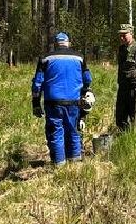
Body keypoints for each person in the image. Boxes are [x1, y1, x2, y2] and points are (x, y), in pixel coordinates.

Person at [32, 32, 92, 166]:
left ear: (55, 44)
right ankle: (75, 163)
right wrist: (86, 91)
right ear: (68, 43)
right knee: (73, 130)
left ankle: (59, 165)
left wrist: (36, 104)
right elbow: (87, 79)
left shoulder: (45, 58)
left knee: (55, 132)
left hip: (53, 102)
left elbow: (37, 84)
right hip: (74, 101)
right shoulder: (79, 58)